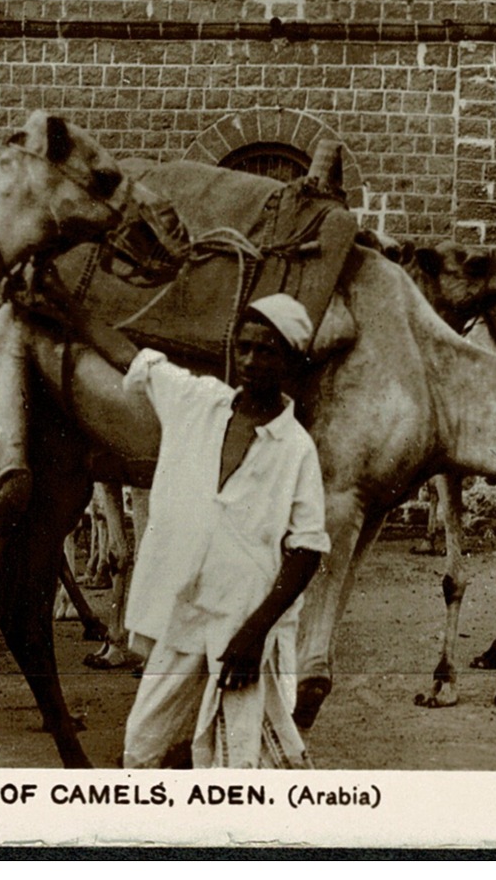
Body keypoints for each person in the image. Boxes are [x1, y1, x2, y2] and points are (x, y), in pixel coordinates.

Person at [52, 286, 330, 769]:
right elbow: (133, 358)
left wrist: (254, 634)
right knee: (142, 749)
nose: (250, 360)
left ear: (290, 361)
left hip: (247, 626)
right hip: (183, 616)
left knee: (241, 760)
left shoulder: (295, 447)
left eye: (266, 350)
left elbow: (307, 549)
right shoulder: (199, 402)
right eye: (243, 347)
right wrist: (66, 305)